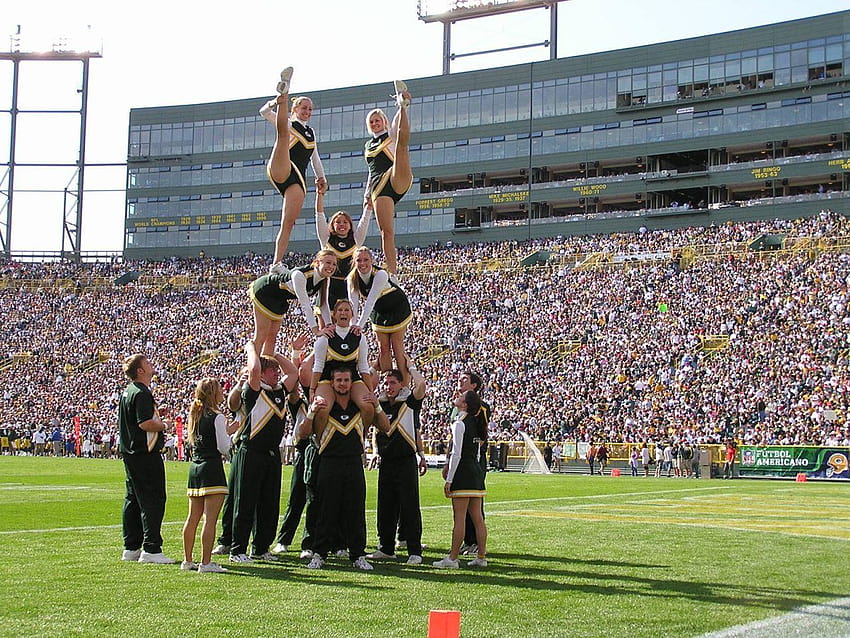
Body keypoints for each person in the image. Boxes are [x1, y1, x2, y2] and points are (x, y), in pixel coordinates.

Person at [301, 367, 390, 571]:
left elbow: (386, 427)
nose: (342, 384)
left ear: (352, 382)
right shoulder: (325, 407)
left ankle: (358, 554)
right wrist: (312, 411)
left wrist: (377, 407)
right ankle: (319, 554)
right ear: (332, 383)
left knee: (355, 511)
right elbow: (303, 433)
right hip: (329, 462)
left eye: (346, 380)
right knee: (326, 510)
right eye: (339, 380)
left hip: (353, 463)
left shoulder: (360, 407)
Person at [229, 341, 299, 564]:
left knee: (269, 502)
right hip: (252, 452)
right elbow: (254, 370)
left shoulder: (279, 391)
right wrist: (252, 348)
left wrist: (275, 353)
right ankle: (237, 548)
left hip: (272, 454)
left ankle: (260, 547)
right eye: (272, 370)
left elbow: (293, 372)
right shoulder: (254, 390)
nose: (277, 373)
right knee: (246, 501)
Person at [262, 68, 327, 272]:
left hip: (297, 178)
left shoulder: (311, 132)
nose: (307, 112)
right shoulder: (289, 123)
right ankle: (284, 91)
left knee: (288, 222)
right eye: (303, 108)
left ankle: (276, 263)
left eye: (310, 109)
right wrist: (276, 102)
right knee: (283, 134)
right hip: (282, 166)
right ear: (295, 109)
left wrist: (322, 178)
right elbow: (263, 112)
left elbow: (315, 158)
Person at [368, 364, 428, 565]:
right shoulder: (382, 404)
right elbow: (376, 431)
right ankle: (386, 548)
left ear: (402, 384)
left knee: (409, 506)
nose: (388, 386)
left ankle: (414, 551)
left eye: (393, 382)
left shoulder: (410, 401)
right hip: (387, 462)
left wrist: (409, 366)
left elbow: (421, 383)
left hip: (405, 462)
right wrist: (375, 452)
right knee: (385, 506)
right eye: (386, 383)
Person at [117, 354, 174, 564]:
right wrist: (164, 425)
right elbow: (144, 424)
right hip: (144, 454)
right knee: (153, 498)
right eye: (147, 363)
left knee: (133, 499)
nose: (151, 365)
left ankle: (131, 547)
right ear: (140, 370)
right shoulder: (141, 392)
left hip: (131, 453)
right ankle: (151, 548)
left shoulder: (129, 392)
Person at [181, 378, 232, 574]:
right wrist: (231, 437)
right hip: (211, 468)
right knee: (210, 519)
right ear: (213, 393)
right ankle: (206, 562)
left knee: (192, 518)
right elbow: (223, 447)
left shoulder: (195, 414)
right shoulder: (217, 416)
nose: (222, 393)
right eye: (220, 390)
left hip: (195, 467)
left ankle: (187, 560)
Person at [363, 80, 413, 274]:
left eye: (378, 120)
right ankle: (392, 273)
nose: (375, 124)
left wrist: (402, 107)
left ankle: (403, 105)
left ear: (384, 120)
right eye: (372, 122)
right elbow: (370, 169)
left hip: (397, 177)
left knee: (401, 146)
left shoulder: (390, 134)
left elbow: (398, 128)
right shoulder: (368, 145)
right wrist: (367, 193)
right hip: (378, 187)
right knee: (386, 232)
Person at [434, 390, 488, 569]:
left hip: (463, 473)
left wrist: (449, 479)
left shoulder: (460, 423)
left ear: (464, 404)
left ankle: (453, 558)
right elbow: (479, 452)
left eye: (461, 396)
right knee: (477, 518)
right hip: (475, 471)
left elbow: (456, 453)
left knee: (459, 518)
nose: (457, 396)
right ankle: (481, 556)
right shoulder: (476, 422)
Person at [249, 247, 338, 355]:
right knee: (261, 335)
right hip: (265, 292)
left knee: (272, 338)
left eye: (334, 264)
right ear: (317, 262)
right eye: (328, 262)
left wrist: (329, 324)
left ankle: (266, 369)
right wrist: (316, 331)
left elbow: (323, 304)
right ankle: (254, 370)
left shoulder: (324, 279)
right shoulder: (300, 275)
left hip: (280, 299)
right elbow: (306, 305)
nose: (331, 267)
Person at [347, 246, 413, 380]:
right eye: (359, 260)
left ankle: (405, 386)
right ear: (354, 262)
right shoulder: (352, 278)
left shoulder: (380, 274)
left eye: (366, 259)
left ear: (371, 260)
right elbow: (353, 304)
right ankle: (388, 383)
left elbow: (369, 301)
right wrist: (352, 325)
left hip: (397, 307)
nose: (362, 263)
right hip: (379, 310)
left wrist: (360, 325)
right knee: (383, 348)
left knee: (397, 347)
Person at [310, 299, 376, 431]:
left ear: (352, 314)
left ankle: (362, 437)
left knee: (368, 406)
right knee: (322, 408)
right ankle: (319, 442)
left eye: (347, 310)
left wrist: (370, 391)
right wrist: (312, 389)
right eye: (340, 310)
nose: (343, 313)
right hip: (327, 380)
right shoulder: (326, 337)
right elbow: (318, 366)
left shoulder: (359, 337)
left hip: (352, 379)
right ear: (334, 314)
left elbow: (363, 367)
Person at [315, 195, 372, 309]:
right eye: (338, 222)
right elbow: (319, 215)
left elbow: (364, 221)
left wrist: (369, 206)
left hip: (348, 288)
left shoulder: (356, 240)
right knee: (325, 323)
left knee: (346, 322)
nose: (342, 224)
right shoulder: (326, 238)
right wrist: (319, 194)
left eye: (345, 222)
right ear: (332, 225)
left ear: (350, 225)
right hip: (328, 286)